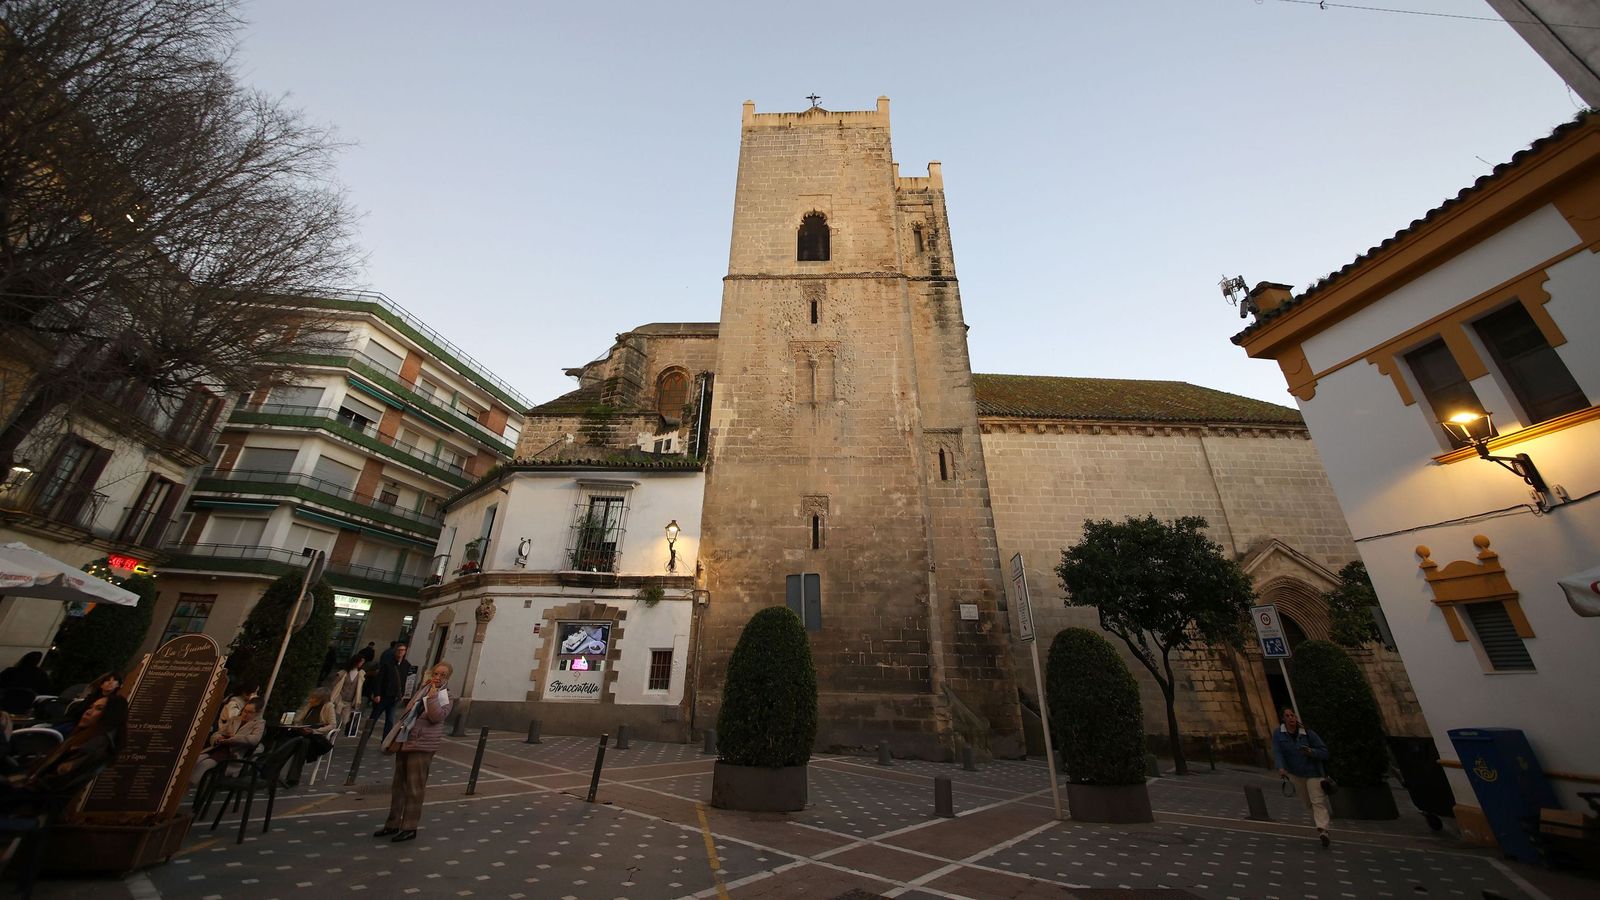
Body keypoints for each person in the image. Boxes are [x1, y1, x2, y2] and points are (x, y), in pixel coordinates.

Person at [1, 694, 128, 814]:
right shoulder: (86, 737)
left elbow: (52, 782)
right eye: (90, 707)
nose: (88, 712)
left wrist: (12, 783)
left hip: (35, 803)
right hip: (31, 795)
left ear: (110, 715)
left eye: (99, 709)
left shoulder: (93, 745)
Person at [374, 661, 453, 843]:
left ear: (448, 678)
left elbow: (437, 717)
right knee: (398, 784)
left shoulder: (445, 695)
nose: (438, 677)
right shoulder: (423, 689)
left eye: (442, 675)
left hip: (423, 744)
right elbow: (408, 710)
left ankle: (409, 826)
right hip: (405, 739)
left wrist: (432, 698)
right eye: (436, 673)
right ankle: (392, 823)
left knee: (415, 787)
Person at [1273, 706, 1333, 848]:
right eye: (1287, 716)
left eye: (1292, 715)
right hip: (1295, 773)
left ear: (1296, 717)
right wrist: (1280, 767)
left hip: (1313, 772)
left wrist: (1311, 752)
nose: (1291, 718)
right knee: (1307, 803)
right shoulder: (1278, 734)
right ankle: (1320, 823)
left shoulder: (1307, 733)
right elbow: (1278, 752)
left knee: (1317, 800)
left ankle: (1323, 830)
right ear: (1283, 719)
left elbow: (1324, 751)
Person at [191, 700, 264, 786]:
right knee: (196, 759)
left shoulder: (259, 723)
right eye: (244, 711)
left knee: (205, 764)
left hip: (232, 753)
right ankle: (182, 787)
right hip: (218, 747)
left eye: (250, 712)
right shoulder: (235, 719)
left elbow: (254, 739)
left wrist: (233, 738)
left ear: (257, 713)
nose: (245, 714)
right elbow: (217, 733)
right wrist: (218, 738)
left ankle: (187, 786)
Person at [58, 671, 123, 735]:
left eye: (114, 680)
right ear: (101, 685)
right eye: (107, 680)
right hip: (75, 724)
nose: (110, 682)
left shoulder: (114, 702)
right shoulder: (91, 698)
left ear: (118, 685)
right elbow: (76, 712)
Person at [370, 643, 408, 738]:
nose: (400, 652)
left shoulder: (406, 665)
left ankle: (385, 740)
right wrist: (377, 694)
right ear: (395, 651)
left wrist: (402, 693)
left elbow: (404, 680)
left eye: (403, 650)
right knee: (374, 718)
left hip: (394, 697)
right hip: (383, 696)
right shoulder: (387, 664)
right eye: (399, 650)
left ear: (405, 652)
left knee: (390, 720)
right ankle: (366, 735)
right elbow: (379, 680)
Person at [288, 688, 337, 762]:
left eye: (313, 698)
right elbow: (298, 719)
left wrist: (315, 731)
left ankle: (295, 769)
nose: (310, 699)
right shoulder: (310, 705)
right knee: (286, 735)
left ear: (321, 699)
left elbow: (332, 725)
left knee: (304, 741)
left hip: (316, 733)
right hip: (304, 730)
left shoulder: (328, 706)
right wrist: (296, 724)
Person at [330, 658, 366, 735]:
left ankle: (335, 735)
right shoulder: (343, 673)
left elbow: (359, 689)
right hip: (339, 699)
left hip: (349, 702)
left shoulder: (360, 675)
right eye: (360, 662)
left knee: (345, 720)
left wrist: (357, 701)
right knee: (335, 719)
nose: (361, 664)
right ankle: (330, 735)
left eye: (362, 663)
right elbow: (334, 685)